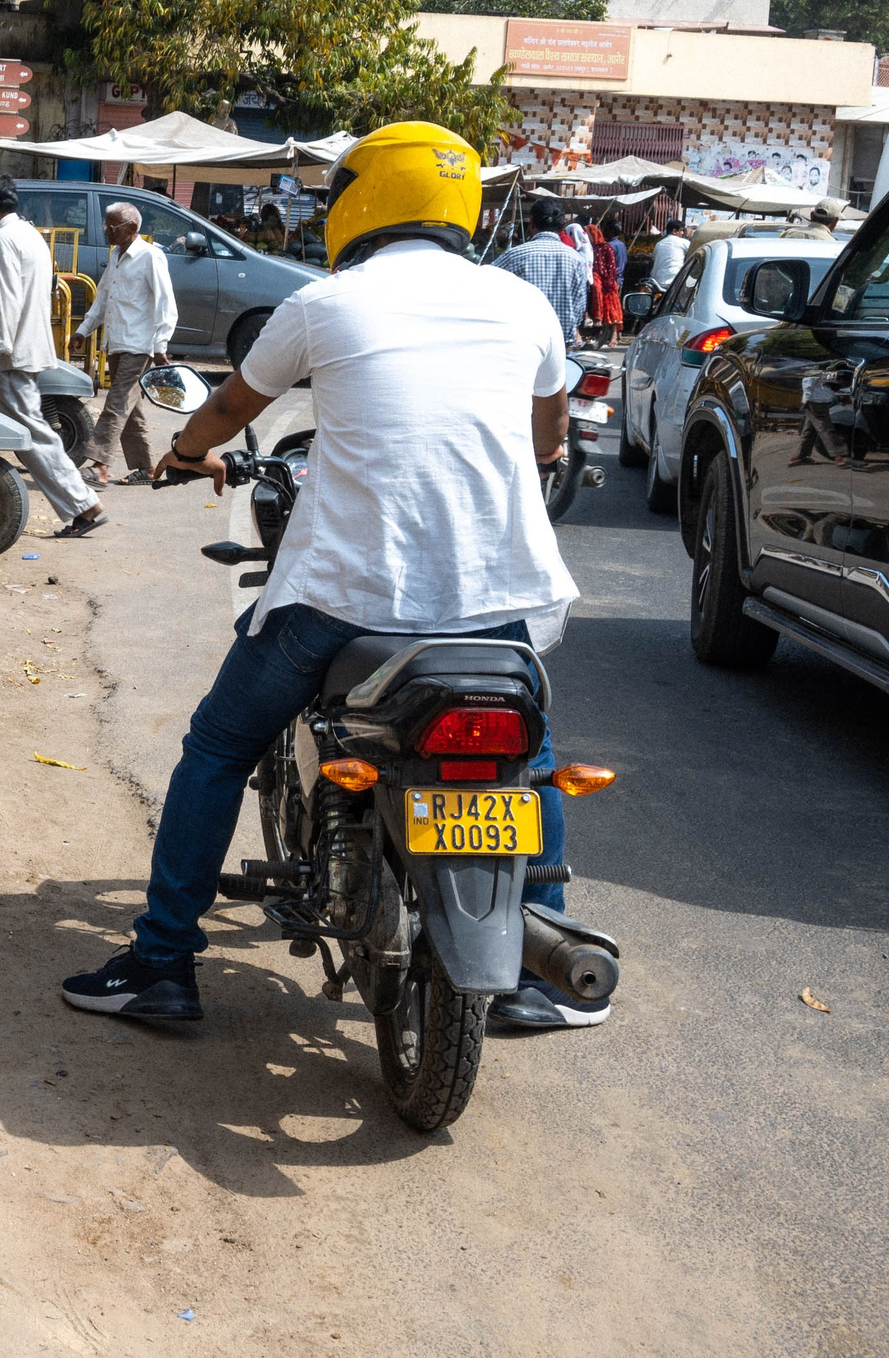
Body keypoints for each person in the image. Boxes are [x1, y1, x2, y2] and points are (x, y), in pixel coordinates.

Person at [59, 120, 596, 1029]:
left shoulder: (325, 303)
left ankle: (162, 961)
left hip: (345, 599)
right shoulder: (525, 306)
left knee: (218, 745)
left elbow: (228, 407)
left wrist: (185, 452)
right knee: (529, 767)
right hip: (497, 599)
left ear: (363, 199)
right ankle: (545, 965)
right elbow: (549, 440)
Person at [0, 175, 104, 537]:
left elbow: (9, 303)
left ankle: (84, 505)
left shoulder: (4, 240)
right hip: (14, 354)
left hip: (7, 359)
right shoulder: (28, 234)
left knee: (33, 436)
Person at [75, 202, 177, 486]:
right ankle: (146, 468)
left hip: (139, 345)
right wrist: (83, 331)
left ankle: (100, 465)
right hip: (117, 342)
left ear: (132, 228)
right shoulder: (116, 255)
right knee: (130, 409)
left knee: (116, 403)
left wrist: (161, 344)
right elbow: (103, 298)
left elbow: (166, 304)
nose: (107, 231)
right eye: (106, 225)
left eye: (113, 226)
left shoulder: (150, 256)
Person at [492, 198, 590, 345]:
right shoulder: (577, 260)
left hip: (522, 341)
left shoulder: (514, 256)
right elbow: (579, 306)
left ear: (532, 222)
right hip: (562, 343)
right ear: (562, 225)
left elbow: (487, 288)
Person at [586, 215, 625, 345]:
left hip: (610, 281)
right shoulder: (591, 248)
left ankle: (612, 334)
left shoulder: (607, 247)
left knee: (612, 308)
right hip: (609, 280)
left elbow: (612, 267)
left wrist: (608, 281)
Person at [647, 214, 690, 290]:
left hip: (657, 281)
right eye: (681, 230)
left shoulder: (659, 244)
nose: (683, 233)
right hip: (673, 281)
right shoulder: (684, 242)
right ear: (674, 231)